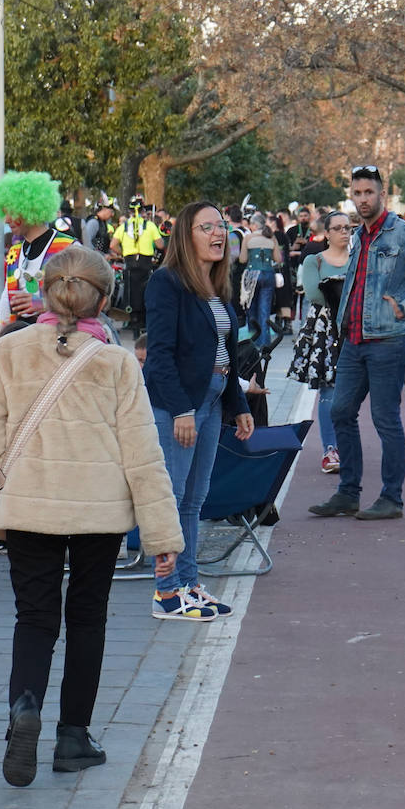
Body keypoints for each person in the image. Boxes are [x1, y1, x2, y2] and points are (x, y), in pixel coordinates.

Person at [0, 246, 184, 787]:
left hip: (31, 508)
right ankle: (73, 737)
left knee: (34, 618)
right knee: (88, 619)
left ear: (43, 293)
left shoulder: (8, 351)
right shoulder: (117, 364)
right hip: (100, 515)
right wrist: (162, 536)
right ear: (103, 298)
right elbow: (142, 455)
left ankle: (24, 710)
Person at [307, 165, 405, 521]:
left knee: (385, 418)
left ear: (382, 195)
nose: (363, 199)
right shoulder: (359, 235)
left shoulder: (403, 234)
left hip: (390, 339)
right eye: (357, 193)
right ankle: (348, 493)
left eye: (369, 192)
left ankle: (391, 498)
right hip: (354, 338)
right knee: (340, 410)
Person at [143, 201, 255, 620]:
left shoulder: (216, 285)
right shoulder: (166, 283)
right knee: (170, 500)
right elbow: (160, 356)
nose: (217, 233)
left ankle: (188, 584)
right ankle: (165, 593)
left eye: (221, 226)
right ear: (185, 237)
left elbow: (224, 351)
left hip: (212, 399)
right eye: (205, 227)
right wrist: (181, 410)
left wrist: (238, 405)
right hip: (181, 406)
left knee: (194, 500)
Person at [288, 211, 350, 474]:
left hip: (354, 327)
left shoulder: (359, 258)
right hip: (325, 330)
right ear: (327, 233)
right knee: (329, 391)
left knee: (352, 393)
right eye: (337, 228)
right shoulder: (314, 260)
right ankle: (330, 448)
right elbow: (314, 293)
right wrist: (345, 293)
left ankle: (349, 447)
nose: (344, 232)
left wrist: (337, 290)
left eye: (348, 227)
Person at [0, 171, 79, 327]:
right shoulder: (14, 252)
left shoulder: (69, 248)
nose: (7, 219)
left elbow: (86, 294)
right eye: (5, 212)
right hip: (22, 340)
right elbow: (6, 302)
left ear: (30, 209)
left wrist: (44, 304)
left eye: (13, 212)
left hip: (58, 338)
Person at [113, 196, 164, 334]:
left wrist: (123, 252)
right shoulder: (150, 226)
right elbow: (160, 244)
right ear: (142, 211)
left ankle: (132, 319)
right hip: (145, 261)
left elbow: (113, 245)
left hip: (130, 261)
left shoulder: (123, 227)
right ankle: (143, 318)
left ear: (130, 211)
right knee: (144, 289)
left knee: (131, 290)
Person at [237, 213, 283, 348]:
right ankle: (265, 341)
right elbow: (278, 259)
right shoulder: (271, 237)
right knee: (265, 310)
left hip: (252, 275)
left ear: (255, 225)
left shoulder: (248, 238)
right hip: (268, 274)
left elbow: (242, 259)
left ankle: (252, 340)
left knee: (251, 309)